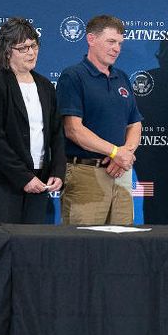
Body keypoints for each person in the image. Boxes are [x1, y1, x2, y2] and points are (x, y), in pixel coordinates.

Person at [0, 18, 65, 223]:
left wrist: (58, 171)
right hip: (4, 182)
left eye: (34, 45)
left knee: (31, 247)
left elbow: (56, 133)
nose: (31, 52)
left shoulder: (45, 86)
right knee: (5, 245)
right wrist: (24, 177)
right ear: (8, 51)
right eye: (23, 48)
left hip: (40, 180)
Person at [57, 15, 142, 225]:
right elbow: (74, 130)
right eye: (111, 42)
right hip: (86, 175)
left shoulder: (121, 77)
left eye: (120, 43)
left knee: (123, 247)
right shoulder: (73, 76)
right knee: (84, 247)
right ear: (91, 39)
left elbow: (134, 123)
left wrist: (125, 154)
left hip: (121, 174)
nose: (117, 49)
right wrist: (114, 152)